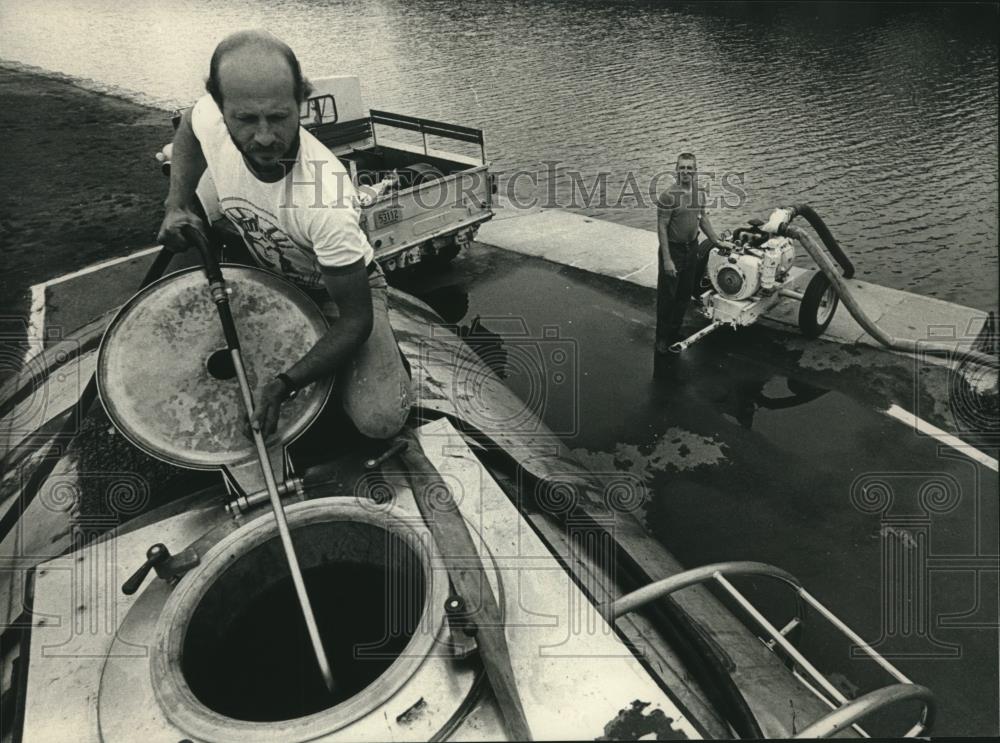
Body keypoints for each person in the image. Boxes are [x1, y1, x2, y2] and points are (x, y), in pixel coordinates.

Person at [157, 30, 412, 439]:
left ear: (301, 104)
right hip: (270, 268)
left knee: (380, 421)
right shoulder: (209, 116)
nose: (263, 137)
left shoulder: (325, 200)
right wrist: (178, 204)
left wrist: (284, 385)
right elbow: (189, 124)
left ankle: (391, 357)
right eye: (245, 120)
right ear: (221, 108)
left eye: (278, 117)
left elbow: (355, 320)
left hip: (337, 291)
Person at [655, 152, 725, 354]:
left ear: (695, 171)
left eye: (689, 168)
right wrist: (667, 260)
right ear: (676, 170)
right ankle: (661, 338)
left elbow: (702, 218)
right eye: (682, 167)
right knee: (668, 296)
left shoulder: (699, 193)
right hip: (674, 250)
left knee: (684, 294)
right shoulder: (668, 196)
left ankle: (674, 332)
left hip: (692, 248)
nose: (685, 171)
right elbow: (661, 228)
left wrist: (716, 241)